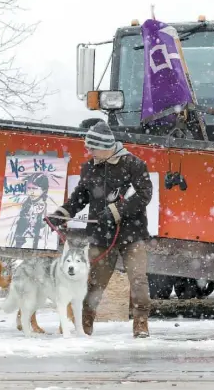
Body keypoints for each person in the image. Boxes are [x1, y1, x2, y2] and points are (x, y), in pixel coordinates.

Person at [50, 121, 153, 338]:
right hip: (100, 237)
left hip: (132, 235)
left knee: (138, 280)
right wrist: (61, 215)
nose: (89, 152)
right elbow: (80, 198)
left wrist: (117, 210)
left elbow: (144, 195)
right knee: (94, 283)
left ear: (106, 146)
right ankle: (85, 324)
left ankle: (141, 322)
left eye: (92, 148)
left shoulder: (134, 164)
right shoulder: (89, 168)